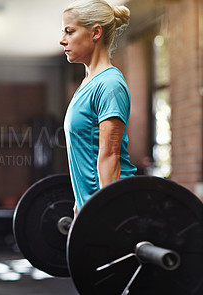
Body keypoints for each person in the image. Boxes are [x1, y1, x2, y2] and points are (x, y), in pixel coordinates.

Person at [59, 0, 137, 215]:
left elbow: (110, 156)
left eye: (69, 31)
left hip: (111, 209)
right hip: (90, 207)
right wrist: (79, 205)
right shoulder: (87, 83)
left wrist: (104, 218)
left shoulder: (109, 84)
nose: (62, 40)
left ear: (95, 32)